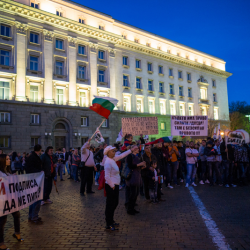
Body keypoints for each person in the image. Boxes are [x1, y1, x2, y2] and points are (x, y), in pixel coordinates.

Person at [104, 145, 137, 231]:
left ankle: (111, 220)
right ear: (108, 153)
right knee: (110, 204)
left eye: (114, 151)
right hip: (111, 186)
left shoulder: (113, 159)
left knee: (115, 203)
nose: (114, 152)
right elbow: (106, 176)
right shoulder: (108, 162)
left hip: (115, 185)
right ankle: (109, 223)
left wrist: (131, 150)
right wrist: (112, 186)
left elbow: (122, 155)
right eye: (112, 151)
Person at [0, 154, 24, 250]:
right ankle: (1, 242)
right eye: (7, 159)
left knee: (17, 214)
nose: (9, 160)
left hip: (10, 199)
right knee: (2, 220)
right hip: (2, 201)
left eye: (9, 158)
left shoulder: (7, 171)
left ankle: (17, 233)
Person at [125, 146, 146, 215]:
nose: (138, 149)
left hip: (137, 176)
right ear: (133, 149)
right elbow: (130, 166)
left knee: (136, 193)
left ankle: (132, 208)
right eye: (136, 148)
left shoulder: (137, 156)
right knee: (133, 193)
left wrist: (142, 166)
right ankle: (129, 209)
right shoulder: (130, 156)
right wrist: (140, 164)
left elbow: (137, 166)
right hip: (132, 177)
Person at [25, 144, 43, 224]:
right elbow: (31, 168)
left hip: (33, 179)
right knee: (37, 199)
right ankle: (34, 217)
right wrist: (40, 172)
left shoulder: (31, 156)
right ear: (39, 150)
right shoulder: (33, 157)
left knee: (33, 199)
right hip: (35, 180)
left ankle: (31, 216)